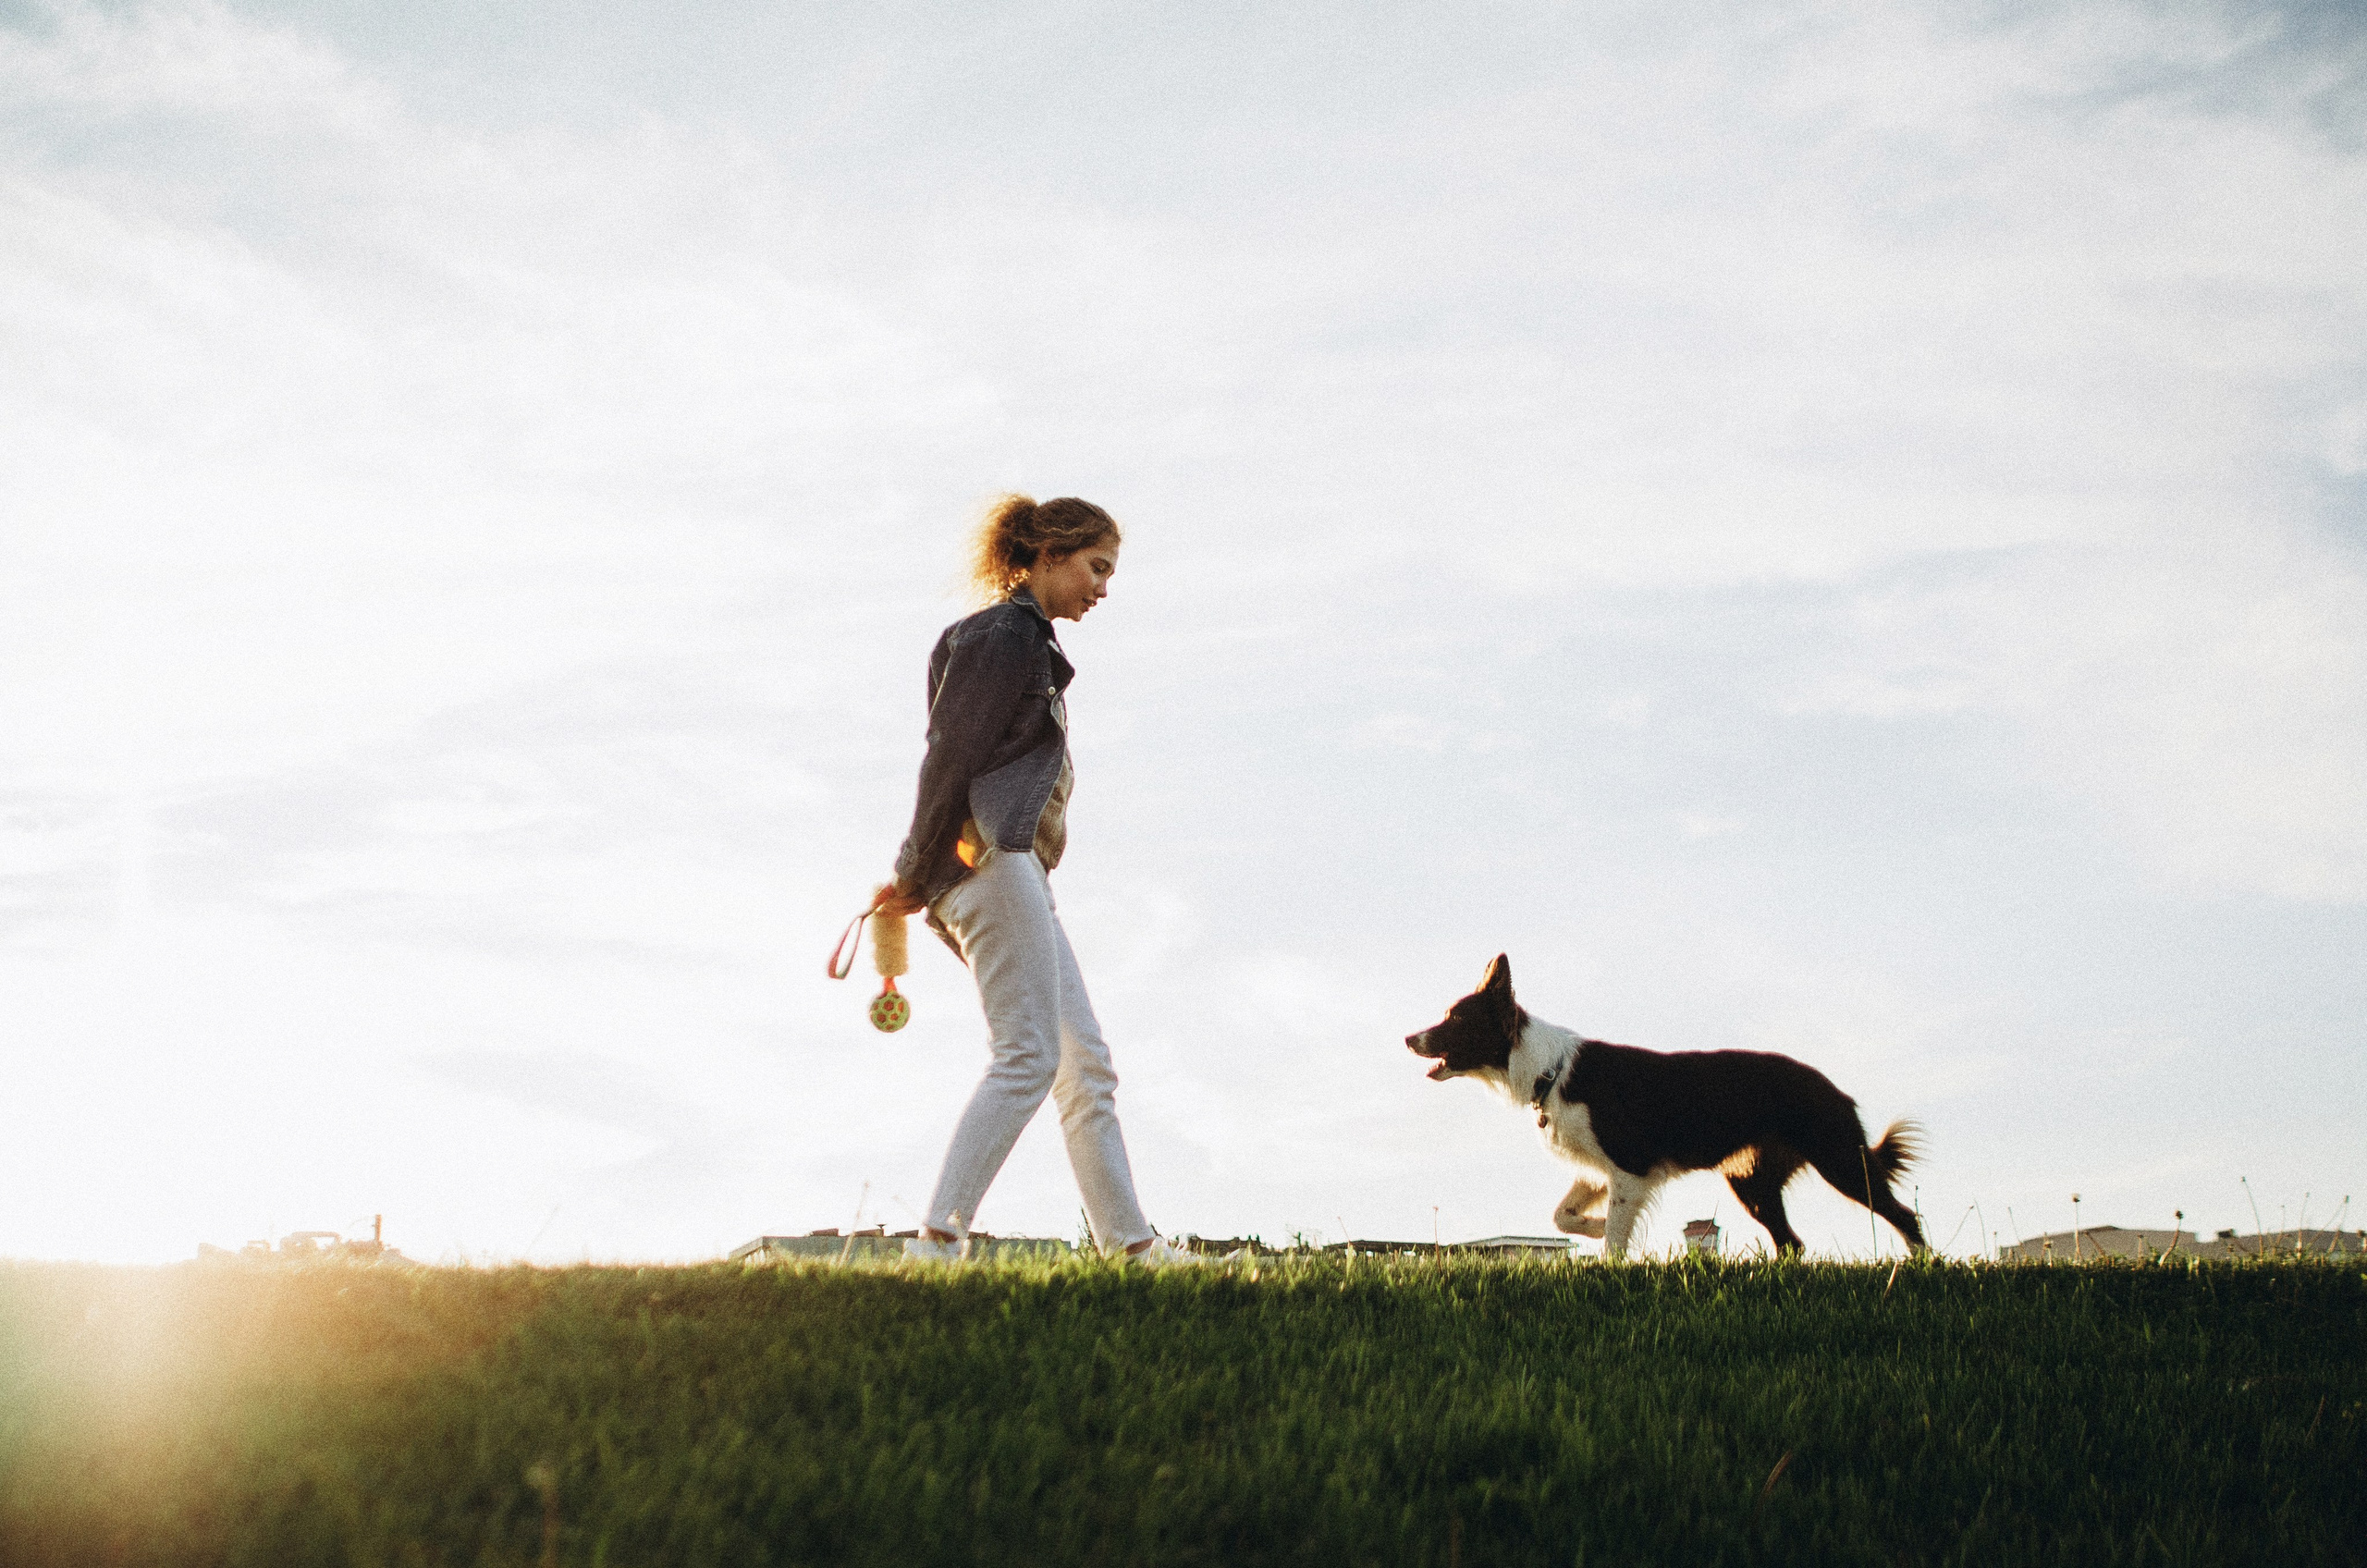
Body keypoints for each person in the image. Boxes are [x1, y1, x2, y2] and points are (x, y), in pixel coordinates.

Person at [877, 495, 1192, 1266]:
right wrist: (912, 870)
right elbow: (950, 753)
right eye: (1097, 567)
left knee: (1084, 1062)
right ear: (1049, 553)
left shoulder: (1025, 643)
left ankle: (1131, 1248)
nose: (1104, 588)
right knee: (1027, 1056)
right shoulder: (1004, 636)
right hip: (990, 861)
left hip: (1015, 869)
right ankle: (938, 1241)